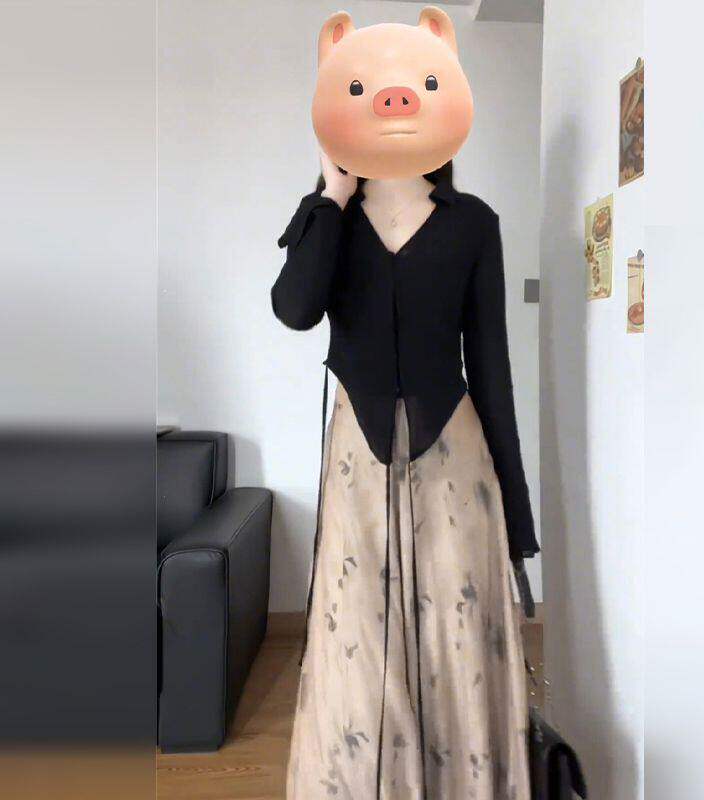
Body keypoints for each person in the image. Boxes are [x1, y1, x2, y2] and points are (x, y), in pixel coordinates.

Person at [272, 8, 538, 798]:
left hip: (456, 459)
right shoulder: (329, 220)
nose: (394, 100)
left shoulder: (473, 224)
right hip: (357, 458)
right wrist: (331, 190)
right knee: (359, 628)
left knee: (455, 629)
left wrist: (519, 520)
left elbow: (491, 367)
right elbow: (294, 309)